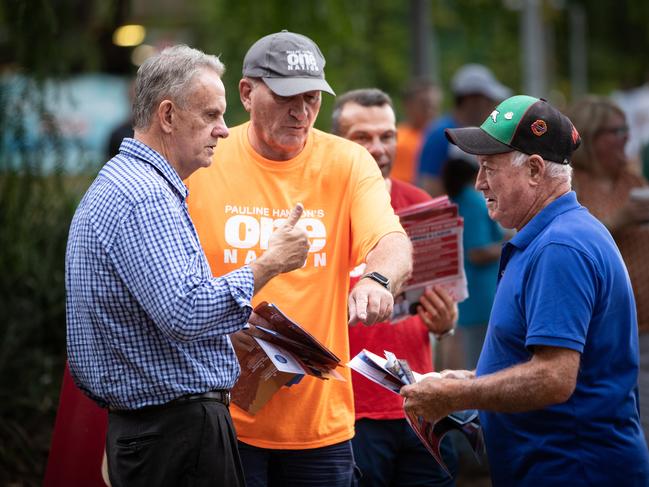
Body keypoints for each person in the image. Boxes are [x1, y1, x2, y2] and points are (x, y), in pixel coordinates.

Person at [65, 45, 310, 487]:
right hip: (175, 435)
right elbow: (186, 311)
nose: (224, 130)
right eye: (212, 115)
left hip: (154, 432)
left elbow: (160, 316)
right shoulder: (147, 198)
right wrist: (270, 263)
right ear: (168, 115)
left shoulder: (127, 183)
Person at [185, 31, 412, 487]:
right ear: (246, 93)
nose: (302, 111)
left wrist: (377, 281)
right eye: (287, 96)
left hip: (319, 424)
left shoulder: (347, 162)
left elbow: (393, 241)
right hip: (221, 415)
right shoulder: (205, 158)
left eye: (311, 98)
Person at [401, 95, 649, 486]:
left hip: (572, 469)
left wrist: (456, 397)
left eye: (488, 168)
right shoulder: (555, 236)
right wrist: (467, 380)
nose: (479, 182)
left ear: (535, 170)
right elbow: (543, 362)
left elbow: (554, 376)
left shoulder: (559, 247)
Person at [331, 87, 458, 486]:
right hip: (352, 409)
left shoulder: (419, 201)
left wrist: (445, 320)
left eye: (386, 136)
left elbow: (442, 305)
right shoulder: (322, 209)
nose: (378, 147)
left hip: (419, 401)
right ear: (338, 143)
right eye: (362, 137)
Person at [567, 96, 649, 445]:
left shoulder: (632, 181)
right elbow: (569, 242)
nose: (626, 138)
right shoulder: (571, 185)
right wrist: (618, 221)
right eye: (616, 131)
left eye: (626, 129)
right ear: (591, 136)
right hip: (599, 329)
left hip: (645, 322)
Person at [440, 156, 504, 370]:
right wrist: (512, 245)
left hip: (462, 288)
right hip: (482, 291)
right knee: (479, 360)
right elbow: (477, 253)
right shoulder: (474, 201)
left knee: (464, 353)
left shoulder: (453, 201)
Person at [417, 64, 510, 196]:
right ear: (471, 100)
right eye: (489, 100)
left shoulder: (483, 131)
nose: (494, 107)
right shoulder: (440, 134)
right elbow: (430, 188)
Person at [391, 78, 442, 184]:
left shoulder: (444, 138)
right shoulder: (396, 139)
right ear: (408, 105)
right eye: (425, 104)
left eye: (434, 105)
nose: (430, 110)